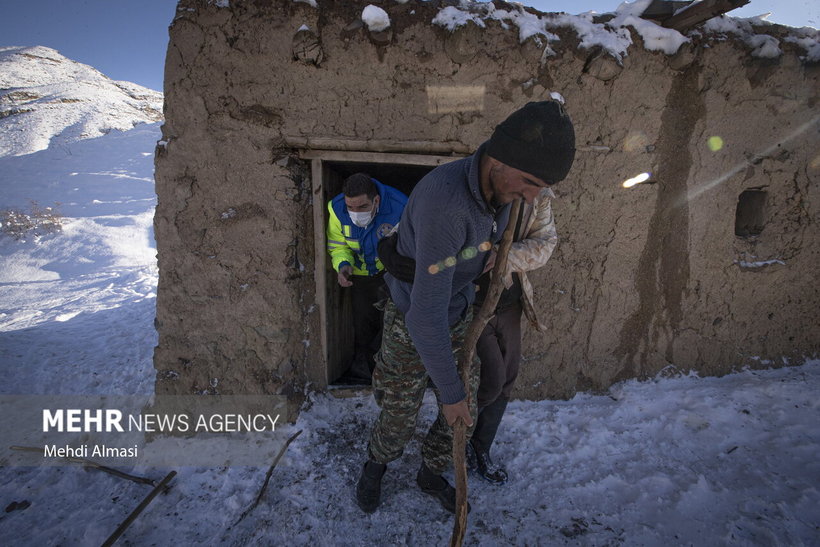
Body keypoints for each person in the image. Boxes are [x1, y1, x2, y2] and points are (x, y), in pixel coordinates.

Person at [355, 101, 575, 514]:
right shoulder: (448, 205)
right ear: (497, 158)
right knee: (402, 409)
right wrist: (450, 392)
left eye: (539, 188)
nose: (532, 196)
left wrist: (458, 398)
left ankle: (430, 470)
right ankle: (376, 465)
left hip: (455, 309)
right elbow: (424, 317)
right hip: (412, 317)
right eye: (529, 181)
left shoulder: (507, 192)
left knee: (465, 410)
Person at [468, 187, 557, 484]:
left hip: (509, 304)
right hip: (472, 304)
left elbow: (545, 243)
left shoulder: (538, 197)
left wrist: (505, 255)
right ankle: (453, 434)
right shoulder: (474, 188)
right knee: (492, 380)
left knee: (507, 377)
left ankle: (480, 448)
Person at [326, 173, 407, 383]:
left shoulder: (400, 207)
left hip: (392, 275)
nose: (355, 213)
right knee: (364, 328)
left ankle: (391, 379)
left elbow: (409, 249)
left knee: (389, 328)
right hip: (361, 277)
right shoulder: (336, 208)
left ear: (376, 201)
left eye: (362, 207)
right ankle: (370, 377)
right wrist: (343, 266)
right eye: (350, 207)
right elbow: (337, 245)